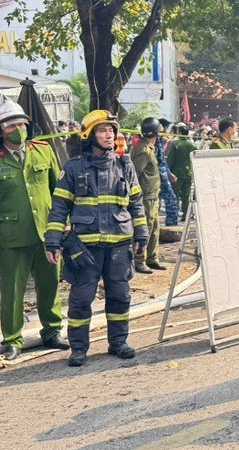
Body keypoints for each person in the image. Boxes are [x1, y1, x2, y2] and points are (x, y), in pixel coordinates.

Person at [44, 110, 148, 366]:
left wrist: (142, 234)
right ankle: (78, 348)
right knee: (80, 301)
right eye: (102, 130)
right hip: (85, 249)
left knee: (120, 296)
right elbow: (59, 208)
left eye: (111, 130)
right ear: (89, 135)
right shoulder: (73, 168)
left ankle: (118, 343)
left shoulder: (125, 165)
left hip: (119, 246)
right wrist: (53, 241)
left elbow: (136, 202)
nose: (109, 134)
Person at [0, 101, 67, 360]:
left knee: (50, 284)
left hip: (46, 233)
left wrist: (61, 228)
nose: (18, 129)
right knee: (12, 291)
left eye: (21, 123)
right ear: (0, 130)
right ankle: (13, 339)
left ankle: (52, 331)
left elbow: (58, 193)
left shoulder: (43, 151)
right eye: (11, 125)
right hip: (12, 237)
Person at [130, 117, 164, 274]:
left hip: (153, 196)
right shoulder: (144, 150)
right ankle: (139, 260)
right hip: (145, 198)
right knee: (146, 229)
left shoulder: (149, 148)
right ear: (157, 133)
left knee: (155, 228)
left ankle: (152, 258)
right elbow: (134, 175)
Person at [166, 124, 196, 221]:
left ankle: (173, 215)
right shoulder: (193, 145)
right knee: (186, 196)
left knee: (174, 195)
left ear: (179, 133)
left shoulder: (175, 144)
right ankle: (186, 215)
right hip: (188, 173)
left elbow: (171, 159)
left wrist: (167, 171)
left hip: (176, 174)